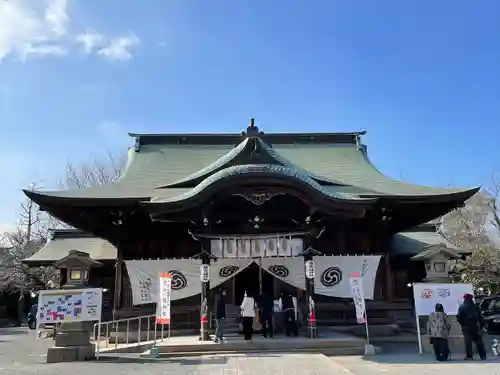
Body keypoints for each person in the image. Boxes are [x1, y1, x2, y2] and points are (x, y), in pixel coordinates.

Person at [457, 293, 486, 360]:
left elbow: (459, 318)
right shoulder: (476, 307)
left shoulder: (461, 307)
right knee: (478, 341)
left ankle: (469, 356)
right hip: (475, 326)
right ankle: (483, 355)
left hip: (466, 327)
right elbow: (480, 317)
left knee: (468, 342)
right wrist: (482, 325)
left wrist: (461, 323)